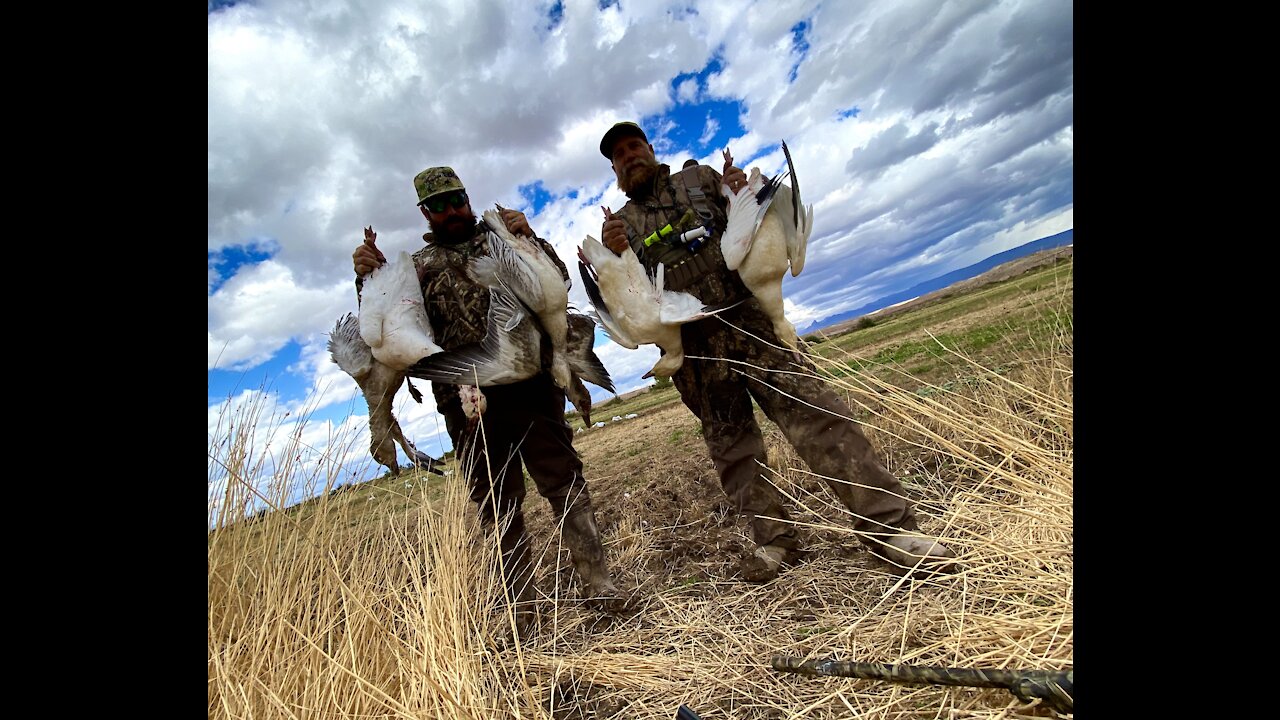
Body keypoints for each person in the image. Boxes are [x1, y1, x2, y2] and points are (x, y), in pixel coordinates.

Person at [596, 122, 956, 581]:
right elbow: (629, 295)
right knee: (734, 452)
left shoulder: (698, 180)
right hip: (699, 358)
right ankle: (775, 543)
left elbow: (753, 218)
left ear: (650, 148)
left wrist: (738, 188)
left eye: (633, 146)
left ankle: (890, 530)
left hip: (752, 326)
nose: (629, 157)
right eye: (619, 155)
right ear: (614, 170)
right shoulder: (619, 226)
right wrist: (618, 254)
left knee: (820, 419)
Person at [352, 166, 623, 633]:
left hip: (531, 387)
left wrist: (529, 236)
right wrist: (367, 280)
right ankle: (521, 609)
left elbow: (556, 281)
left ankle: (598, 583)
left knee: (563, 481)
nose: (451, 210)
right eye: (438, 205)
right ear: (426, 212)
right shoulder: (417, 266)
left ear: (466, 196)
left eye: (455, 199)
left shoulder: (500, 238)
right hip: (465, 401)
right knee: (496, 504)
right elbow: (389, 326)